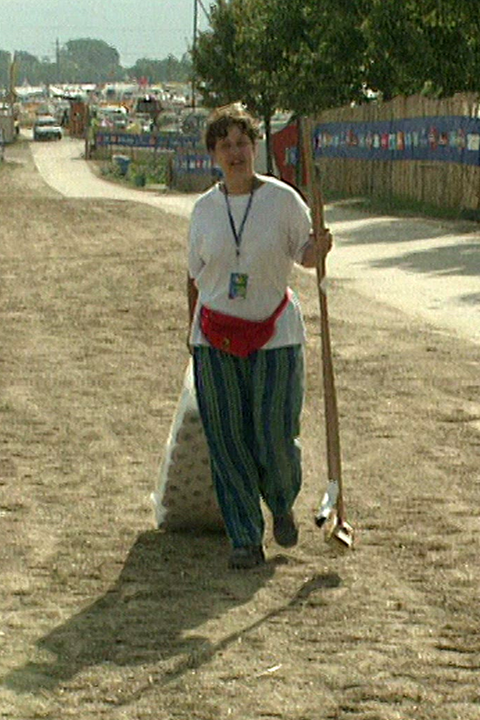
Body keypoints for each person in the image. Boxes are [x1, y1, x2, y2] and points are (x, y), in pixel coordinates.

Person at [186, 104, 333, 569]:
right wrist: (190, 337)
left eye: (242, 143)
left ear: (255, 147)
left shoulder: (283, 200)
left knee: (274, 435)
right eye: (225, 144)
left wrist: (319, 247)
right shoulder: (204, 210)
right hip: (215, 337)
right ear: (214, 154)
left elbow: (305, 254)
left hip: (276, 336)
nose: (235, 152)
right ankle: (246, 537)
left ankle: (282, 502)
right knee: (227, 439)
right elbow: (194, 277)